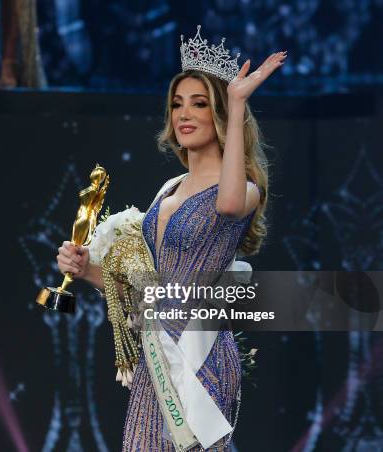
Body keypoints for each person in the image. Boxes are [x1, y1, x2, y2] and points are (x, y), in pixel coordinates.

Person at [56, 26, 284, 451]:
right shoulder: (168, 190)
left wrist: (237, 103)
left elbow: (230, 204)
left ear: (219, 116)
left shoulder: (243, 190)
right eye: (177, 104)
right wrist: (86, 270)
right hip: (156, 351)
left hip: (199, 350)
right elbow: (147, 290)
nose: (184, 114)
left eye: (199, 104)